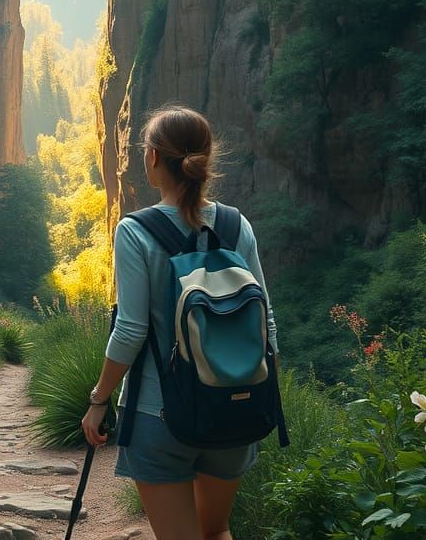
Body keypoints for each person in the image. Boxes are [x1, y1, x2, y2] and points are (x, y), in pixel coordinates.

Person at [80, 105, 278, 540]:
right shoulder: (235, 224)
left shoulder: (136, 231)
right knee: (217, 531)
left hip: (160, 413)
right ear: (204, 158)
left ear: (152, 157)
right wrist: (254, 390)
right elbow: (267, 321)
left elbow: (130, 330)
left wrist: (99, 399)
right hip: (236, 407)